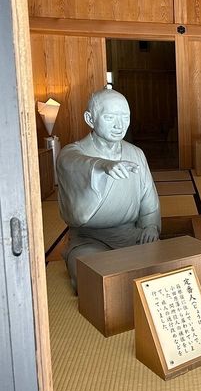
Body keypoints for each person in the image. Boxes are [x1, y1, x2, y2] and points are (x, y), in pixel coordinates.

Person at [57, 88, 161, 291]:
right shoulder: (72, 152)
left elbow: (149, 201)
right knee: (94, 280)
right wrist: (102, 166)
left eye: (125, 117)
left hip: (132, 236)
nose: (119, 125)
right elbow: (73, 163)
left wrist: (150, 226)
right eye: (110, 117)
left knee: (164, 272)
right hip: (89, 240)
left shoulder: (135, 153)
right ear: (90, 118)